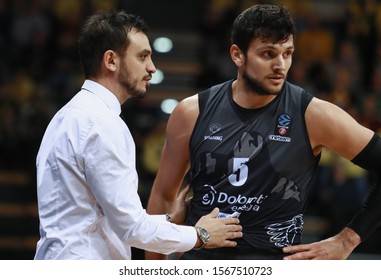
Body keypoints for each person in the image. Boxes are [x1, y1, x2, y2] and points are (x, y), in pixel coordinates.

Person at [146, 4, 381, 260]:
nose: (280, 65)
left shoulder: (314, 115)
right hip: (203, 264)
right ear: (237, 55)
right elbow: (163, 194)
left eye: (288, 53)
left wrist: (347, 240)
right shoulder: (191, 112)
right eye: (268, 54)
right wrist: (154, 270)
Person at [34, 9, 242, 260]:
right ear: (111, 60)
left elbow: (100, 216)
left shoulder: (68, 115)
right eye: (143, 57)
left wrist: (168, 222)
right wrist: (200, 235)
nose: (152, 68)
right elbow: (130, 227)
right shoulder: (101, 123)